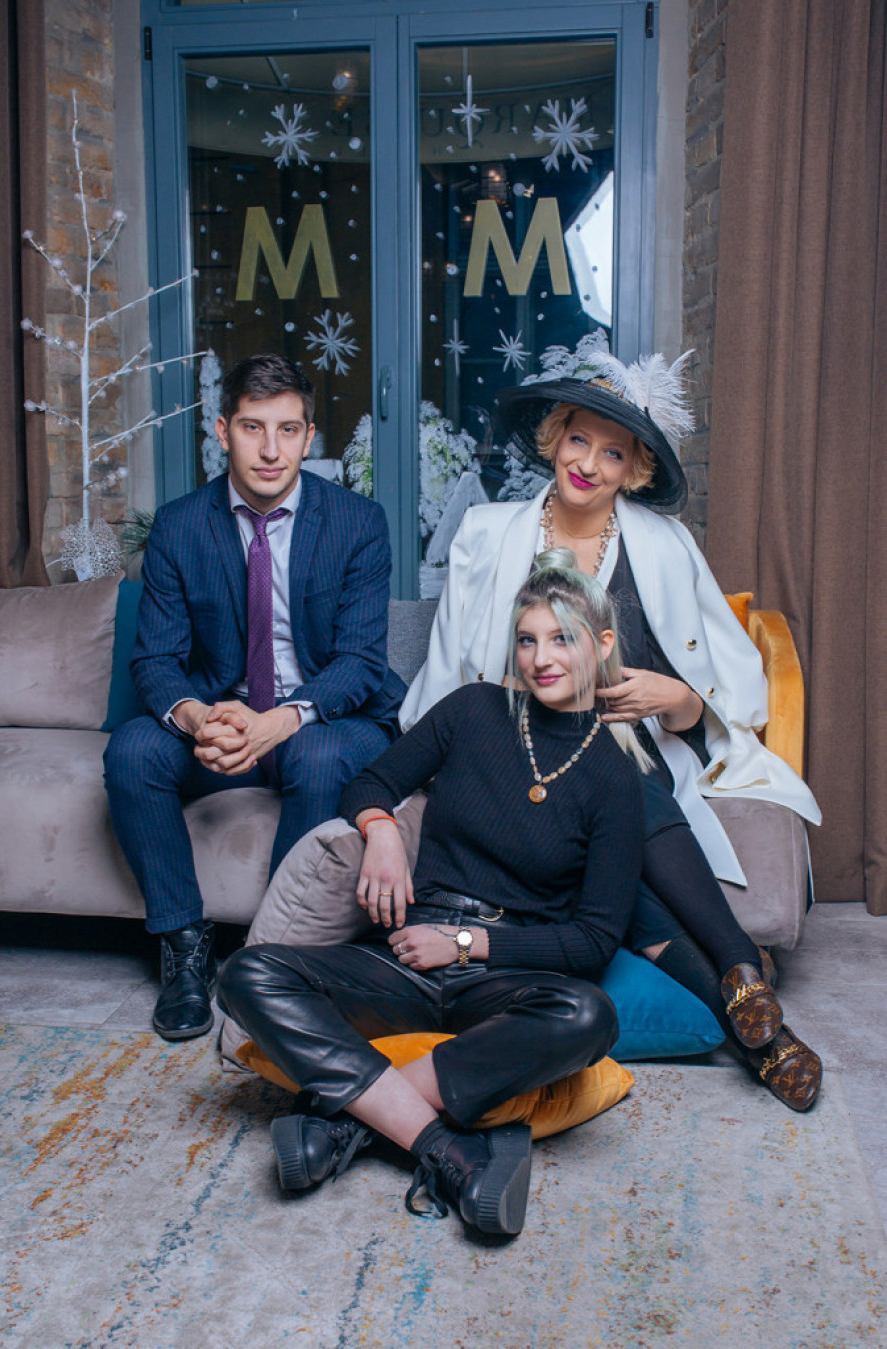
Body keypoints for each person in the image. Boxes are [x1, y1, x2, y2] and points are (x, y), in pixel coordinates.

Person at [401, 335, 822, 1110]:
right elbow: (451, 677)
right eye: (578, 440)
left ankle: (748, 1010)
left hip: (629, 757)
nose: (588, 464)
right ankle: (746, 986)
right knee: (616, 797)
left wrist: (676, 697)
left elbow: (726, 689)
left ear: (636, 470)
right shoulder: (487, 533)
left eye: (613, 453)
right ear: (554, 437)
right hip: (522, 753)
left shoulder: (665, 545)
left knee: (621, 780)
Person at [217, 552, 646, 1237]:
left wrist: (467, 943)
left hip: (500, 976)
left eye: (561, 638)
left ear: (601, 645)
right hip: (404, 957)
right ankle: (448, 1148)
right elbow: (369, 782)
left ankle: (343, 1127)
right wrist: (383, 831)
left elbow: (593, 941)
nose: (541, 658)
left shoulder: (616, 780)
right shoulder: (474, 710)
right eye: (528, 639)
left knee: (589, 1015)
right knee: (247, 973)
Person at [104, 353, 404, 1042]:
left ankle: (274, 958)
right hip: (224, 718)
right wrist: (199, 718)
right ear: (222, 431)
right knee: (133, 750)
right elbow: (155, 661)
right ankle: (184, 947)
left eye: (288, 429)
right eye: (252, 427)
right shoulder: (180, 525)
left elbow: (360, 662)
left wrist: (280, 721)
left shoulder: (357, 521)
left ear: (308, 435)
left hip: (324, 717)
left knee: (320, 756)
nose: (271, 450)